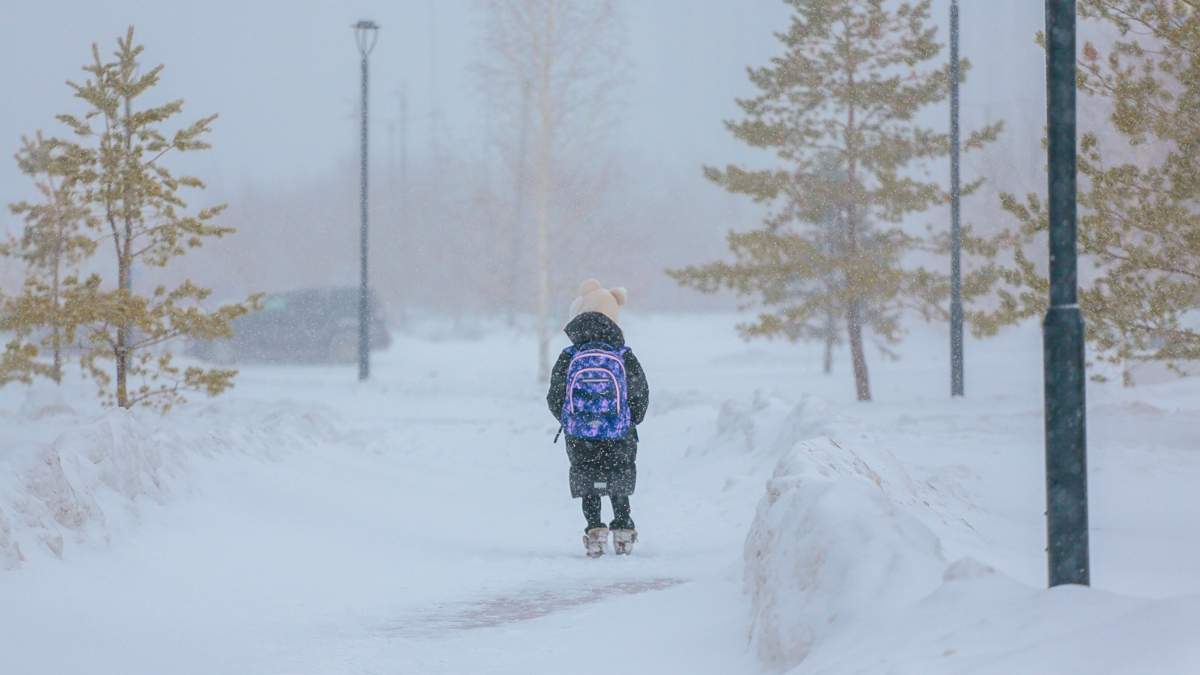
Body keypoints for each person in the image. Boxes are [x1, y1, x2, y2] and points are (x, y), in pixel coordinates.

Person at [547, 279, 650, 557]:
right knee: (618, 474)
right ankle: (623, 530)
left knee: (588, 477)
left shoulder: (570, 355)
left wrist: (570, 420)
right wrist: (629, 420)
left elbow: (554, 395)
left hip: (580, 432)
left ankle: (594, 530)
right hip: (618, 429)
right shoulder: (622, 354)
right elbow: (640, 392)